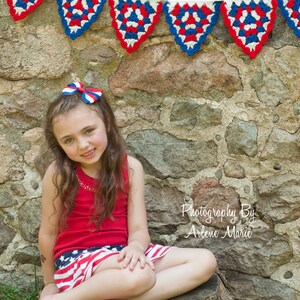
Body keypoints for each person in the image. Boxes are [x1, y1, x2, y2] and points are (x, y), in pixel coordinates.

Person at [38, 82, 217, 300]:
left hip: (123, 253)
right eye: (69, 140)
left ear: (107, 123)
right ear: (59, 143)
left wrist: (135, 247)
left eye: (88, 131)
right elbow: (48, 232)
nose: (83, 145)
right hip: (79, 260)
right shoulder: (60, 173)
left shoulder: (131, 168)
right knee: (141, 275)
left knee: (205, 261)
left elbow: (139, 227)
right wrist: (49, 283)